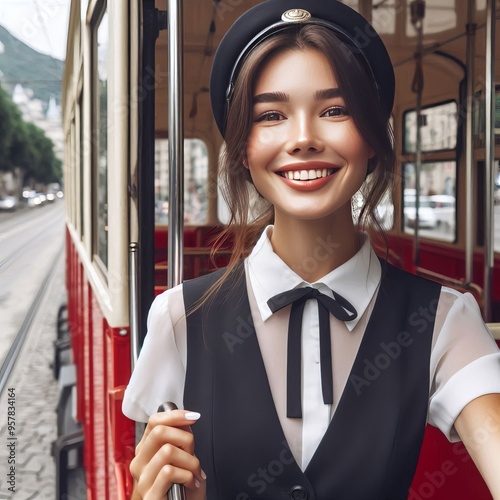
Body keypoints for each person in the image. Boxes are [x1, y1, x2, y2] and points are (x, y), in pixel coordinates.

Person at [123, 1, 500, 498]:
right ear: (243, 149)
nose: (303, 139)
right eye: (272, 115)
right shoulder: (178, 317)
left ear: (371, 137)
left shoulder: (445, 320)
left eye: (335, 110)